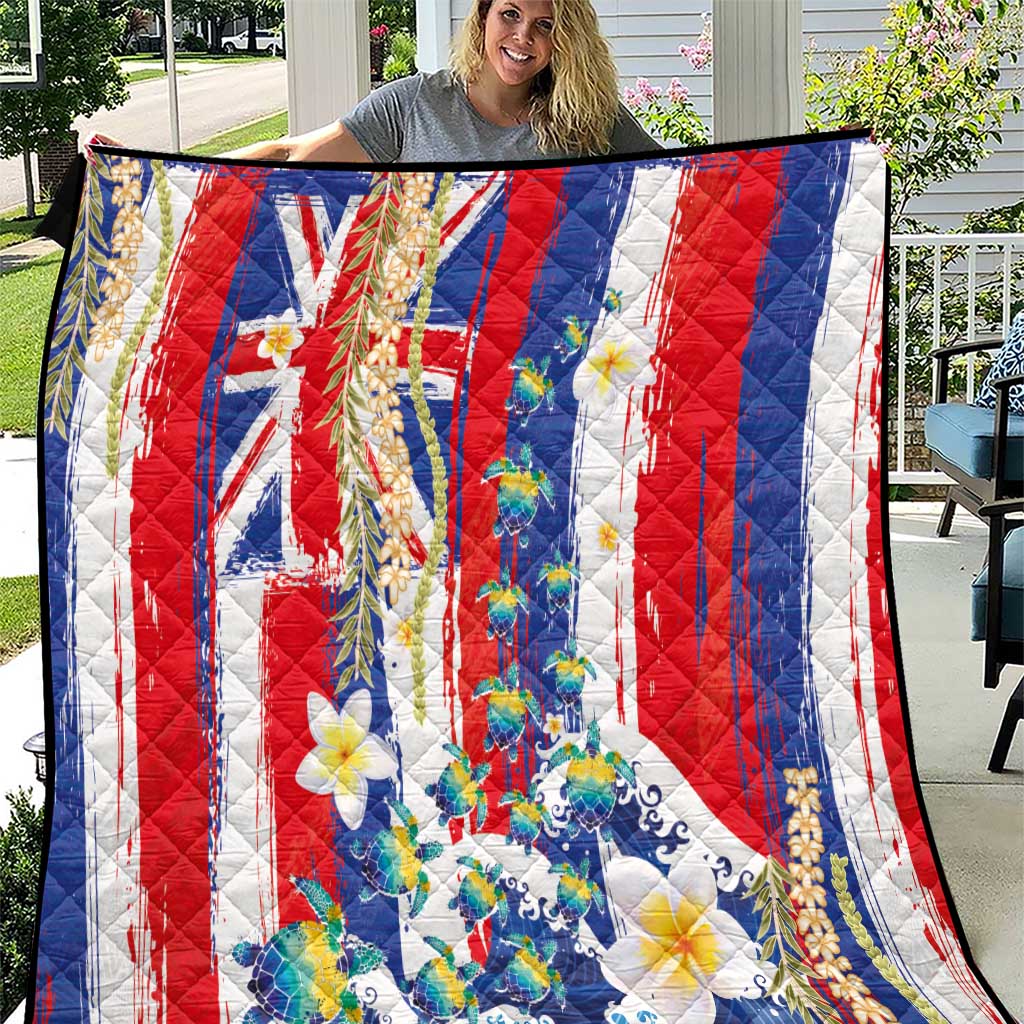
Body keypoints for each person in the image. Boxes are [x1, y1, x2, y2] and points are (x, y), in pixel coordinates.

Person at [90, 0, 660, 163]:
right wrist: (154, 167)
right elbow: (292, 153)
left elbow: (680, 188)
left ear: (565, 38)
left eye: (545, 25)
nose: (522, 36)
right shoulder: (414, 104)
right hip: (427, 335)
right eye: (510, 13)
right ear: (484, 16)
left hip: (545, 340)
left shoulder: (589, 117)